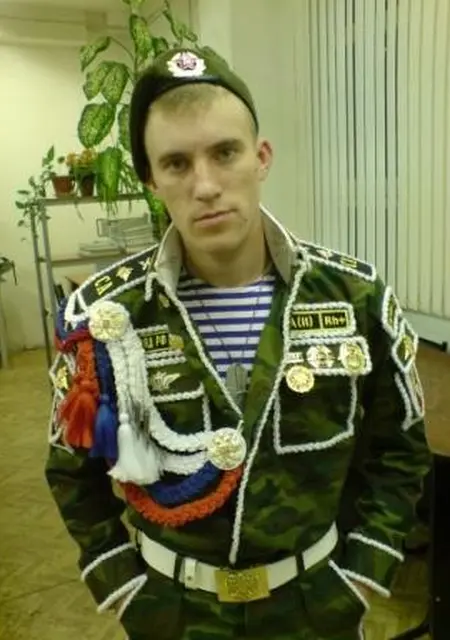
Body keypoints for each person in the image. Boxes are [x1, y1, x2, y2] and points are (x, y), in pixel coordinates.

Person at [45, 45, 431, 640]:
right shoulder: (106, 315)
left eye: (225, 153)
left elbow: (398, 448)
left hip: (317, 607)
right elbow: (72, 470)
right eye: (177, 163)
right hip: (173, 613)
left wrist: (362, 574)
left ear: (261, 157)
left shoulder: (354, 295)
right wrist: (122, 587)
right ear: (151, 180)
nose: (206, 186)